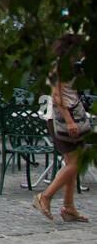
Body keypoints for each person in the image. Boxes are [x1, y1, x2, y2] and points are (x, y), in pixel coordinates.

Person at [33, 35, 89, 222]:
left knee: (72, 163)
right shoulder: (59, 65)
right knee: (75, 162)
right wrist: (69, 120)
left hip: (67, 117)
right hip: (62, 119)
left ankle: (68, 206)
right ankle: (45, 196)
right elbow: (57, 95)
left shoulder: (67, 65)